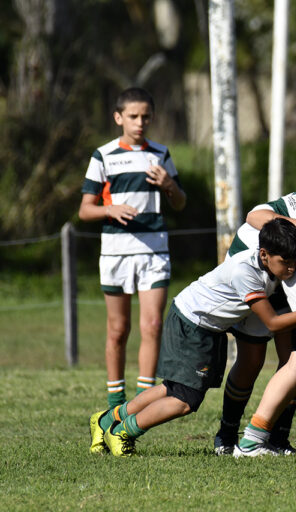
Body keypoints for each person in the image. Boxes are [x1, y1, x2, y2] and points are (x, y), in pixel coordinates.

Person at [88, 219, 296, 456]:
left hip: (205, 326)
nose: (291, 268)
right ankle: (122, 432)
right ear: (264, 254)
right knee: (185, 400)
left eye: (295, 261)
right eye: (285, 262)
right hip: (193, 323)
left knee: (173, 389)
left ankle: (107, 420)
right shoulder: (245, 272)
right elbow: (272, 324)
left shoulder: (267, 265)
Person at [79, 87, 186, 409]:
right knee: (118, 329)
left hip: (155, 250)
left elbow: (180, 203)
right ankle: (115, 402)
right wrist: (109, 209)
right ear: (118, 117)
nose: (140, 122)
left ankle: (138, 406)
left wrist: (169, 185)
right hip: (115, 252)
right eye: (133, 116)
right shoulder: (103, 155)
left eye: (146, 117)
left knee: (152, 325)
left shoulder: (160, 153)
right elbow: (85, 210)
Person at [213, 187, 296, 455]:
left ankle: (279, 437)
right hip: (257, 275)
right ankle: (227, 432)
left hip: (291, 276)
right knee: (251, 360)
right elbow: (255, 215)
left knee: (293, 360)